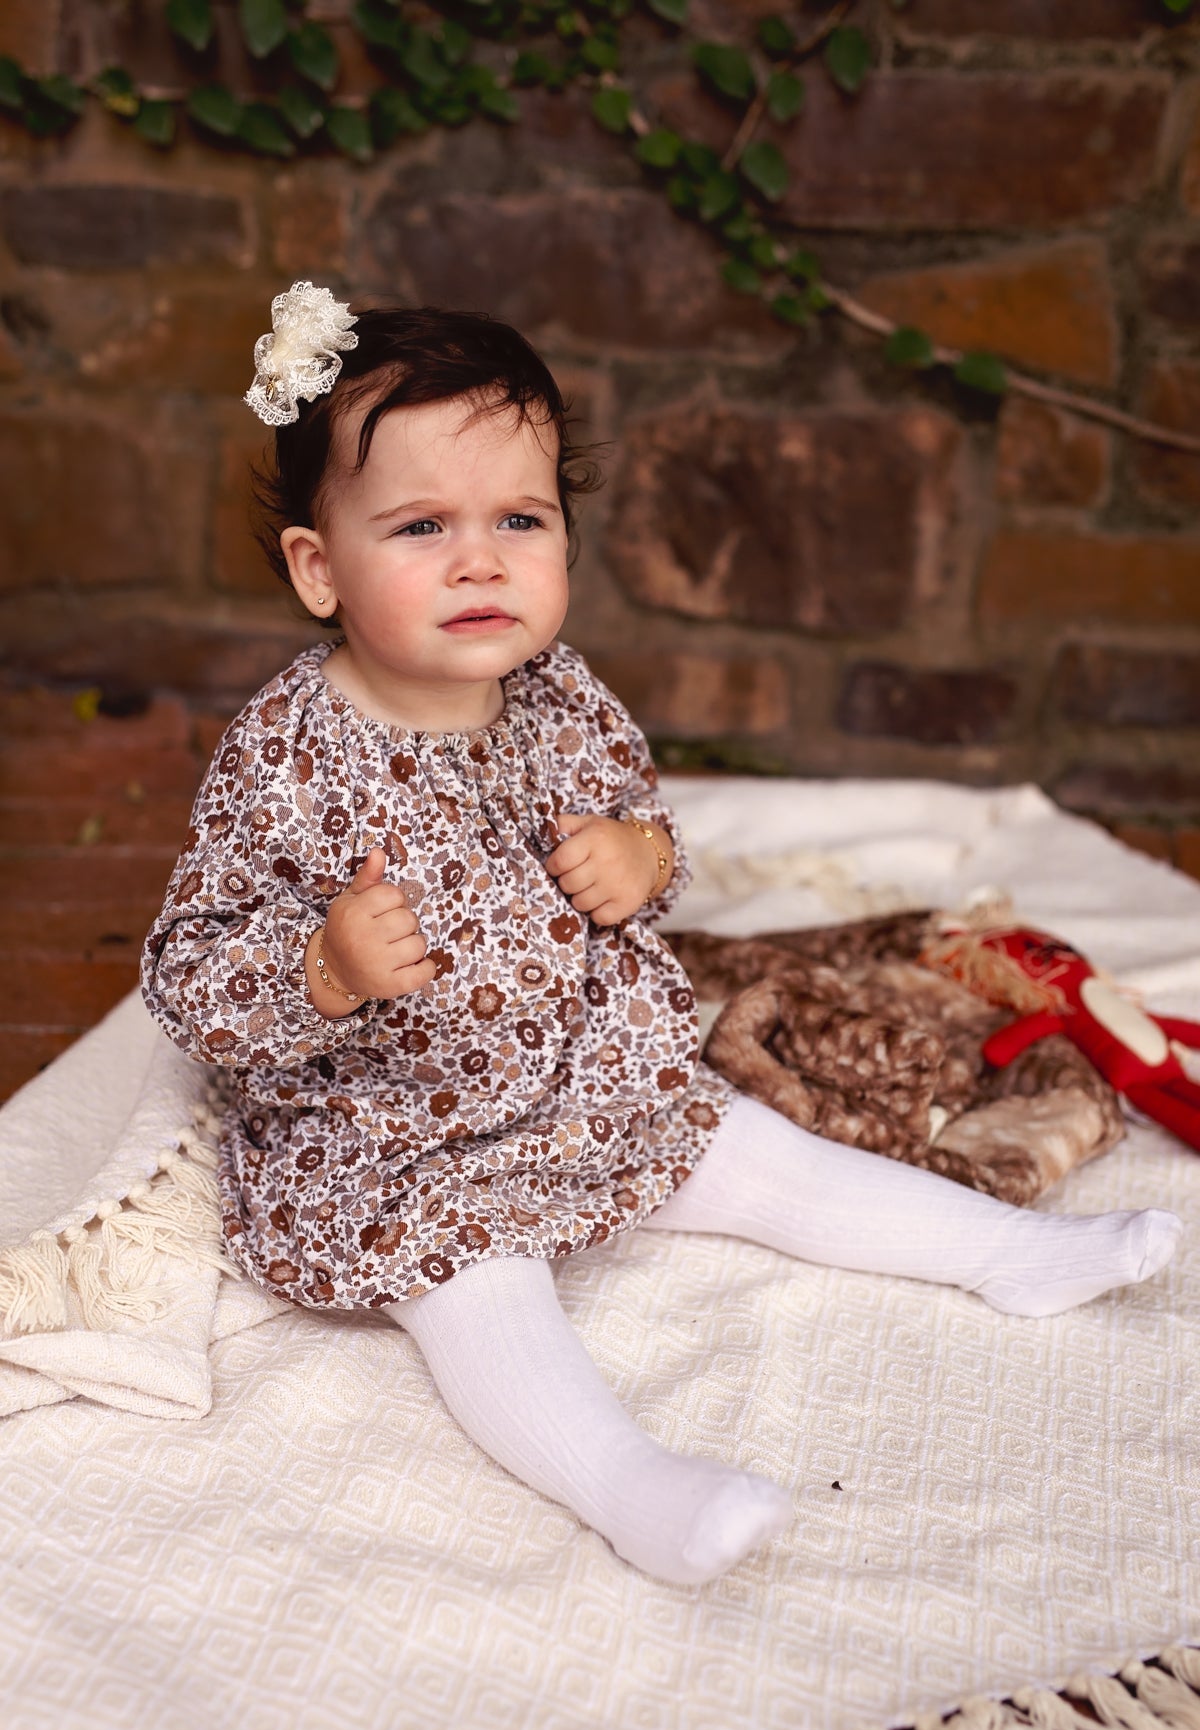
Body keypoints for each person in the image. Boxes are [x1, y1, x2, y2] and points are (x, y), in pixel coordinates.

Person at [142, 284, 1182, 1587]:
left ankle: (1010, 1254)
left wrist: (641, 859)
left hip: (589, 1080)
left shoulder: (560, 694)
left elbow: (644, 824)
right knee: (477, 1283)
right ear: (318, 569)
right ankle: (631, 1487)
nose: (481, 561)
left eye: (520, 520)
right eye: (420, 527)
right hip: (396, 1133)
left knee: (751, 1151)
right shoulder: (286, 755)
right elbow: (186, 971)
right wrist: (323, 967)